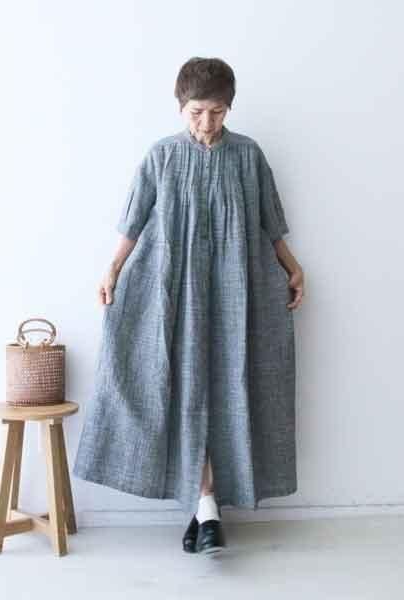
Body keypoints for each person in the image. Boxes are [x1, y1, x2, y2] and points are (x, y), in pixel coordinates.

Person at [73, 56, 305, 556]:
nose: (207, 122)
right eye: (197, 112)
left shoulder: (248, 155)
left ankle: (205, 511)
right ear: (181, 107)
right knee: (179, 391)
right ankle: (207, 508)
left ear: (229, 109)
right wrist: (113, 269)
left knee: (230, 390)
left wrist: (292, 266)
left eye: (217, 112)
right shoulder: (161, 156)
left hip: (237, 290)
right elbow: (134, 221)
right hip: (172, 290)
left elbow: (270, 223)